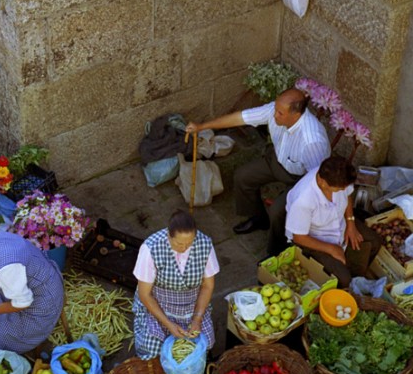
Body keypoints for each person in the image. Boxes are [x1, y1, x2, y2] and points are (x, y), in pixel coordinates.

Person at [186, 87, 330, 256]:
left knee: (278, 210)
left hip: (304, 179)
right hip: (277, 161)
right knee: (243, 176)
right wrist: (202, 126)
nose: (274, 115)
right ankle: (258, 217)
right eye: (275, 110)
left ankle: (277, 251)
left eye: (280, 113)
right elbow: (240, 118)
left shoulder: (312, 140)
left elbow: (319, 180)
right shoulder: (276, 110)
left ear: (296, 115)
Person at [132, 210, 218, 359]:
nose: (185, 248)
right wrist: (168, 324)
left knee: (207, 343)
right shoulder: (151, 248)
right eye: (179, 243)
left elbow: (207, 286)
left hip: (192, 305)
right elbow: (144, 294)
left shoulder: (205, 244)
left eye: (189, 243)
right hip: (159, 305)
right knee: (152, 348)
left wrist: (197, 318)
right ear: (168, 235)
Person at [285, 156, 382, 288]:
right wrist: (331, 249)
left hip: (340, 224)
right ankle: (342, 285)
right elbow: (299, 237)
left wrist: (351, 223)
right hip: (313, 239)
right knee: (343, 279)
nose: (342, 191)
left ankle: (357, 277)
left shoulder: (340, 177)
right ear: (323, 182)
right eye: (339, 189)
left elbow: (347, 196)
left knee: (374, 241)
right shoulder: (304, 200)